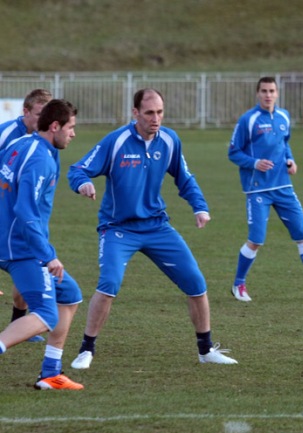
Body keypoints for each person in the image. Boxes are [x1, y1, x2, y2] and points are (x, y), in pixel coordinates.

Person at [67, 88, 236, 369]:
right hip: (118, 228)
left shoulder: (170, 140)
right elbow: (77, 169)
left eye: (159, 112)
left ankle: (206, 350)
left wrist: (200, 206)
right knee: (109, 284)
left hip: (157, 227)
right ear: (135, 113)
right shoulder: (117, 141)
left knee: (196, 284)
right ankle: (87, 349)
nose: (155, 118)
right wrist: (83, 184)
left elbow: (185, 177)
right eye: (149, 113)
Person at [227, 76, 303, 303]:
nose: (268, 95)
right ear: (258, 94)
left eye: (272, 91)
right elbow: (233, 152)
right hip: (257, 189)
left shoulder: (283, 117)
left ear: (277, 93)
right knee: (256, 239)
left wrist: (291, 160)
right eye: (264, 91)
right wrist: (254, 163)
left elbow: (284, 143)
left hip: (283, 187)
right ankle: (238, 284)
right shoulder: (248, 120)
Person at [0, 98, 84, 389]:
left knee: (70, 295)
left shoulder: (22, 144)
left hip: (11, 240)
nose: (73, 134)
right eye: (71, 127)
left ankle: (50, 372)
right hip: (21, 248)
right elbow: (25, 212)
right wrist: (47, 255)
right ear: (55, 126)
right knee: (46, 312)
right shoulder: (40, 159)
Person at [0, 88, 53, 343]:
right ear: (25, 112)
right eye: (39, 114)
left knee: (28, 265)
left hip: (28, 215)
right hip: (6, 212)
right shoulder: (8, 134)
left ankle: (19, 322)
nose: (45, 120)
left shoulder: (47, 139)